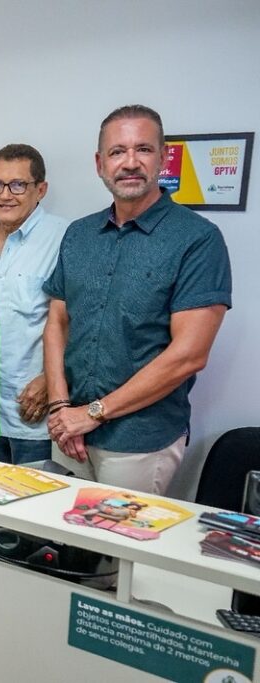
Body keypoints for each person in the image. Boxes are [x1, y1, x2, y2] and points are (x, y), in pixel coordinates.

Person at [44, 105, 232, 495]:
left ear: (163, 157)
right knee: (56, 534)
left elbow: (189, 355)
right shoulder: (79, 235)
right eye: (117, 152)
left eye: (143, 149)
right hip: (70, 431)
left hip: (139, 442)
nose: (130, 162)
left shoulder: (197, 239)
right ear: (100, 163)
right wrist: (61, 407)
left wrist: (93, 413)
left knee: (120, 538)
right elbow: (57, 323)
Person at [0, 144, 68, 465]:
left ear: (41, 190)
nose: (5, 195)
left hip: (33, 414)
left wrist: (51, 380)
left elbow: (82, 322)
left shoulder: (65, 238)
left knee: (33, 494)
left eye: (18, 185)